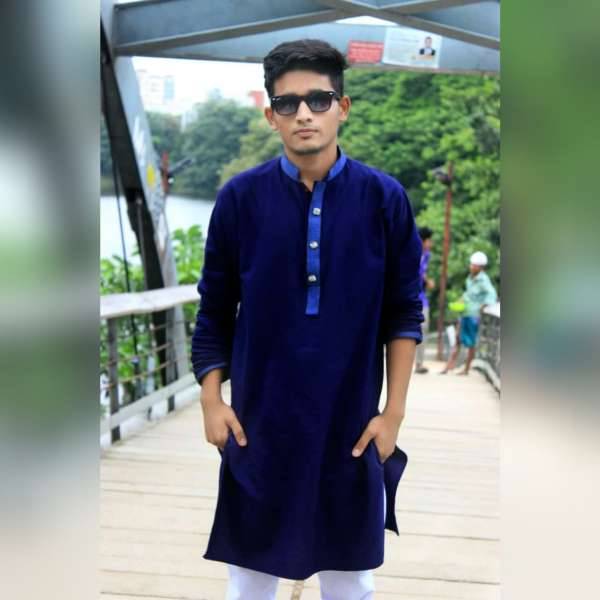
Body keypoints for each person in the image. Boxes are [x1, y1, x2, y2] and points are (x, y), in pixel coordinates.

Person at [191, 39, 423, 599]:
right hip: (258, 426)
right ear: (270, 115)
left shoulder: (384, 199)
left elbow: (403, 313)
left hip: (352, 426)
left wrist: (392, 414)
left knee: (351, 582)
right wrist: (211, 400)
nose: (304, 114)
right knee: (249, 581)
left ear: (342, 108)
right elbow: (215, 308)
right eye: (287, 103)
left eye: (319, 100)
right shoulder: (239, 200)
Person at [440, 251, 497, 376]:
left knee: (471, 343)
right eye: (471, 264)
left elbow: (492, 295)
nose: (471, 267)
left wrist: (484, 305)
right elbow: (468, 294)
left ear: (480, 267)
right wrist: (461, 300)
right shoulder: (470, 278)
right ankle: (448, 367)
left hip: (473, 316)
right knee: (457, 339)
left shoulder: (483, 280)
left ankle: (466, 369)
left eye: (474, 265)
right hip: (464, 313)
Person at [414, 227, 434, 374]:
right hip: (410, 295)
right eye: (429, 240)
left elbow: (421, 272)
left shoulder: (427, 255)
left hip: (421, 297)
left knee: (424, 327)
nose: (431, 244)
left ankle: (419, 363)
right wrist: (427, 281)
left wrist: (426, 281)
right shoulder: (412, 252)